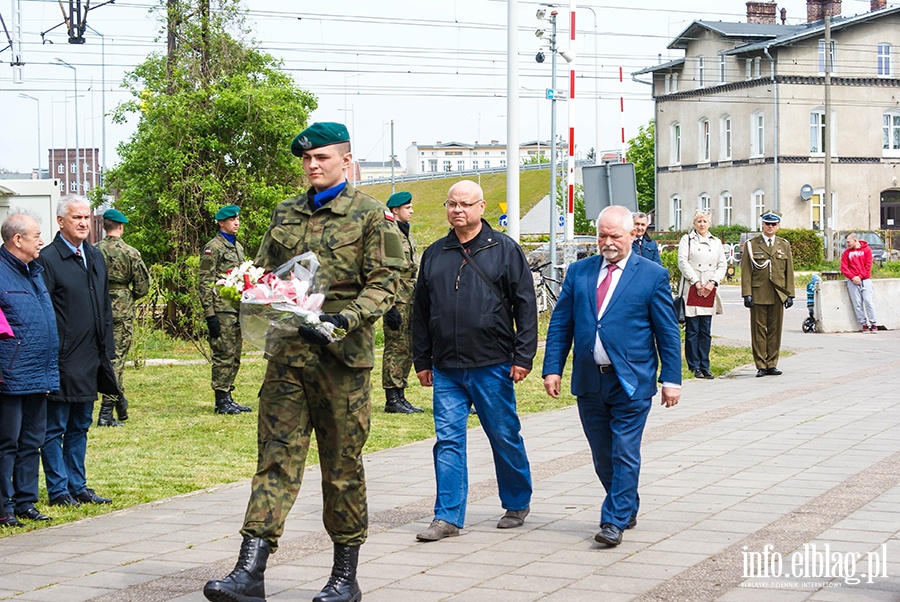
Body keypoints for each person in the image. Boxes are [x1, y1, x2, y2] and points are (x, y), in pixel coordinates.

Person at [203, 122, 406, 602]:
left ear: (345, 160)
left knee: (342, 468)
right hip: (287, 358)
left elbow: (386, 283)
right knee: (274, 460)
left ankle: (344, 578)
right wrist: (255, 290)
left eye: (323, 158)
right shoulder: (286, 212)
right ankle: (249, 572)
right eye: (307, 159)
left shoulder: (372, 215)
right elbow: (265, 272)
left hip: (342, 362)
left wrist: (344, 318)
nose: (313, 165)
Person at [542, 205, 682, 547]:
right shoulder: (580, 272)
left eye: (614, 236)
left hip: (632, 380)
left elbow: (667, 332)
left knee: (624, 450)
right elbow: (562, 323)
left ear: (632, 234)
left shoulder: (651, 275)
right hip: (590, 380)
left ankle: (613, 520)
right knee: (602, 454)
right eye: (602, 235)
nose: (607, 242)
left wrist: (672, 379)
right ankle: (626, 504)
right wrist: (552, 368)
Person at [412, 179, 538, 543]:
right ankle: (447, 516)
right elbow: (420, 310)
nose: (458, 211)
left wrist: (523, 356)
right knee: (447, 440)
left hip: (493, 362)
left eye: (465, 204)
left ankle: (517, 501)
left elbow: (525, 305)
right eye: (452, 204)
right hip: (446, 367)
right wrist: (422, 359)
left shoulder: (504, 249)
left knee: (503, 434)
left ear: (482, 207)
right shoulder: (435, 253)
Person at [37, 195, 117, 508]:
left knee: (80, 426)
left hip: (91, 358)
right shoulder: (48, 259)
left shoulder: (95, 256)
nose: (83, 223)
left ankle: (78, 485)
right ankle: (59, 491)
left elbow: (105, 307)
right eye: (76, 218)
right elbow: (45, 312)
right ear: (60, 221)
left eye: (86, 217)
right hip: (62, 359)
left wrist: (106, 352)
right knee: (54, 427)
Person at [0, 213, 59, 527]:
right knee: (6, 442)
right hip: (10, 374)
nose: (41, 240)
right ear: (17, 240)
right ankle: (3, 506)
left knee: (31, 441)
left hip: (39, 371)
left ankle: (25, 501)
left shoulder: (34, 271)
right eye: (36, 235)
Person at [95, 209, 151, 426]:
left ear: (103, 226)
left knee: (102, 357)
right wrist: (127, 296)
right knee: (116, 359)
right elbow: (143, 286)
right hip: (122, 310)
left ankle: (120, 403)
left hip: (98, 308)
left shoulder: (93, 251)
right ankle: (106, 411)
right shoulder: (130, 252)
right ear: (120, 226)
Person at [198, 204, 251, 415]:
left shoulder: (237, 247)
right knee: (223, 353)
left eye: (237, 219)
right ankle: (221, 399)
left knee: (235, 353)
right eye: (231, 220)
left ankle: (228, 394)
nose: (236, 223)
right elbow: (205, 282)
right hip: (221, 310)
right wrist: (209, 314)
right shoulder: (213, 248)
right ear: (221, 223)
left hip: (237, 309)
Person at [382, 191, 423, 414]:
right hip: (396, 298)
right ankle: (392, 398)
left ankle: (400, 394)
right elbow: (386, 271)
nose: (411, 210)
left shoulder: (405, 233)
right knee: (395, 347)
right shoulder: (390, 234)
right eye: (407, 207)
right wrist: (388, 306)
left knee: (406, 347)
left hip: (409, 297)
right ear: (395, 210)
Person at [741, 211, 795, 377]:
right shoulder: (752, 245)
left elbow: (789, 271)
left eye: (774, 224)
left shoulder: (783, 244)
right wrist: (747, 294)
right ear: (762, 224)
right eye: (767, 224)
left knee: (775, 330)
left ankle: (772, 363)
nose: (770, 227)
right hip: (759, 292)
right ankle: (761, 365)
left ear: (778, 226)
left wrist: (790, 294)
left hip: (778, 293)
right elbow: (746, 271)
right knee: (758, 330)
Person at [677, 210, 726, 379]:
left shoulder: (716, 242)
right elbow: (682, 261)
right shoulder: (687, 240)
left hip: (709, 289)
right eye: (699, 221)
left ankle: (705, 365)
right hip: (692, 287)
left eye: (705, 221)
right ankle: (694, 365)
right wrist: (696, 281)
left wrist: (713, 282)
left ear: (709, 224)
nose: (702, 224)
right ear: (694, 223)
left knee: (705, 330)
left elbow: (722, 264)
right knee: (692, 330)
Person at [840, 233, 877, 333]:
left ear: (855, 240)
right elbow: (844, 267)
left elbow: (868, 265)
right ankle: (864, 323)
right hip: (853, 281)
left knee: (868, 300)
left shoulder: (866, 250)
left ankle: (873, 323)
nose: (847, 244)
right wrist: (853, 277)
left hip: (865, 279)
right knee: (857, 303)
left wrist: (860, 276)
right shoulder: (846, 253)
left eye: (849, 242)